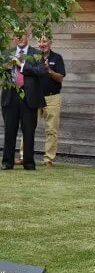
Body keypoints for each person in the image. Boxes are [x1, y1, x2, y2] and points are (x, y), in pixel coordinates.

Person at [16, 35, 65, 167]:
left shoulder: (57, 58)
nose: (42, 44)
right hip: (33, 96)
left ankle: (48, 159)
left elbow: (60, 78)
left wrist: (48, 70)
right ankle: (23, 157)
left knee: (51, 130)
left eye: (45, 41)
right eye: (39, 41)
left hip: (52, 97)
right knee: (27, 127)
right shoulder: (31, 56)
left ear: (50, 42)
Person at [1, 33, 46, 170]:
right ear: (13, 38)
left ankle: (28, 163)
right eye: (16, 35)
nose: (18, 38)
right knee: (9, 131)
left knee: (28, 132)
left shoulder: (37, 53)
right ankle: (7, 162)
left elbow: (41, 70)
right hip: (10, 96)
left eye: (21, 35)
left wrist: (21, 65)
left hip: (29, 97)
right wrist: (4, 67)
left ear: (27, 36)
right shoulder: (6, 53)